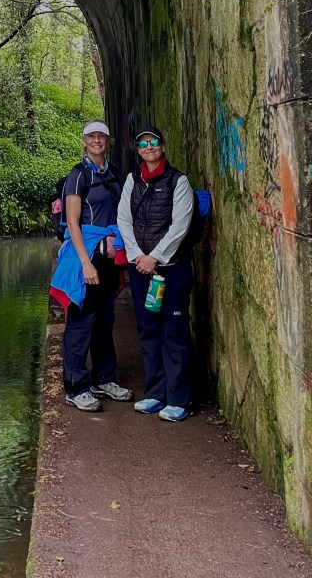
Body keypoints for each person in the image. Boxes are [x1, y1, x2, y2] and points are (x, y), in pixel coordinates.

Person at [50, 121, 133, 412]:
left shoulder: (114, 173)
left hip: (110, 254)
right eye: (91, 137)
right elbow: (73, 223)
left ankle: (104, 378)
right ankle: (76, 387)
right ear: (84, 141)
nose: (97, 141)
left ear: (107, 141)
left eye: (101, 136)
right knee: (82, 320)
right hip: (86, 255)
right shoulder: (78, 175)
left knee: (104, 318)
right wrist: (86, 263)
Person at [117, 126, 195, 422]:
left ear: (162, 146)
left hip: (171, 270)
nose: (148, 147)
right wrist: (138, 256)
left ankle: (180, 399)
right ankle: (155, 393)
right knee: (148, 330)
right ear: (138, 150)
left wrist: (155, 257)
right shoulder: (132, 180)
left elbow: (180, 225)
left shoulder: (178, 181)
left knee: (173, 331)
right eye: (143, 144)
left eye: (153, 142)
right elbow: (124, 219)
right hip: (140, 269)